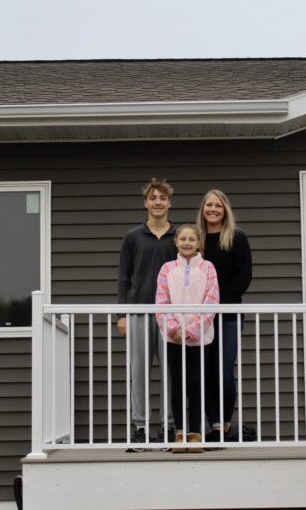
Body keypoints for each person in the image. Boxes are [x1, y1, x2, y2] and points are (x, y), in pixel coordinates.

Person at [117, 178, 177, 450]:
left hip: (171, 313)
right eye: (153, 198)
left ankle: (167, 426)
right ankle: (140, 427)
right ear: (145, 203)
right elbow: (124, 276)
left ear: (169, 203)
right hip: (139, 311)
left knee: (170, 372)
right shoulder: (133, 237)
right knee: (139, 370)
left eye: (162, 198)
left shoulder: (178, 236)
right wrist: (122, 314)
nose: (158, 202)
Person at [155, 224, 219, 453]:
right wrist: (173, 329)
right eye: (182, 239)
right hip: (174, 338)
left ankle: (196, 433)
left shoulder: (208, 268)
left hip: (200, 338)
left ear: (198, 243)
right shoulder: (167, 269)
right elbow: (161, 301)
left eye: (192, 239)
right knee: (178, 384)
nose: (187, 243)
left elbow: (212, 300)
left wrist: (193, 330)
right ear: (176, 242)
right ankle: (180, 432)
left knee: (196, 383)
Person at [196, 189, 252, 441]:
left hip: (228, 314)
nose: (213, 209)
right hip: (200, 317)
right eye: (209, 205)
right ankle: (213, 425)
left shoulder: (236, 238)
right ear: (202, 209)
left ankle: (225, 423)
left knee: (225, 372)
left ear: (225, 209)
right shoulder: (196, 239)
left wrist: (219, 303)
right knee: (206, 372)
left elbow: (244, 275)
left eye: (218, 205)